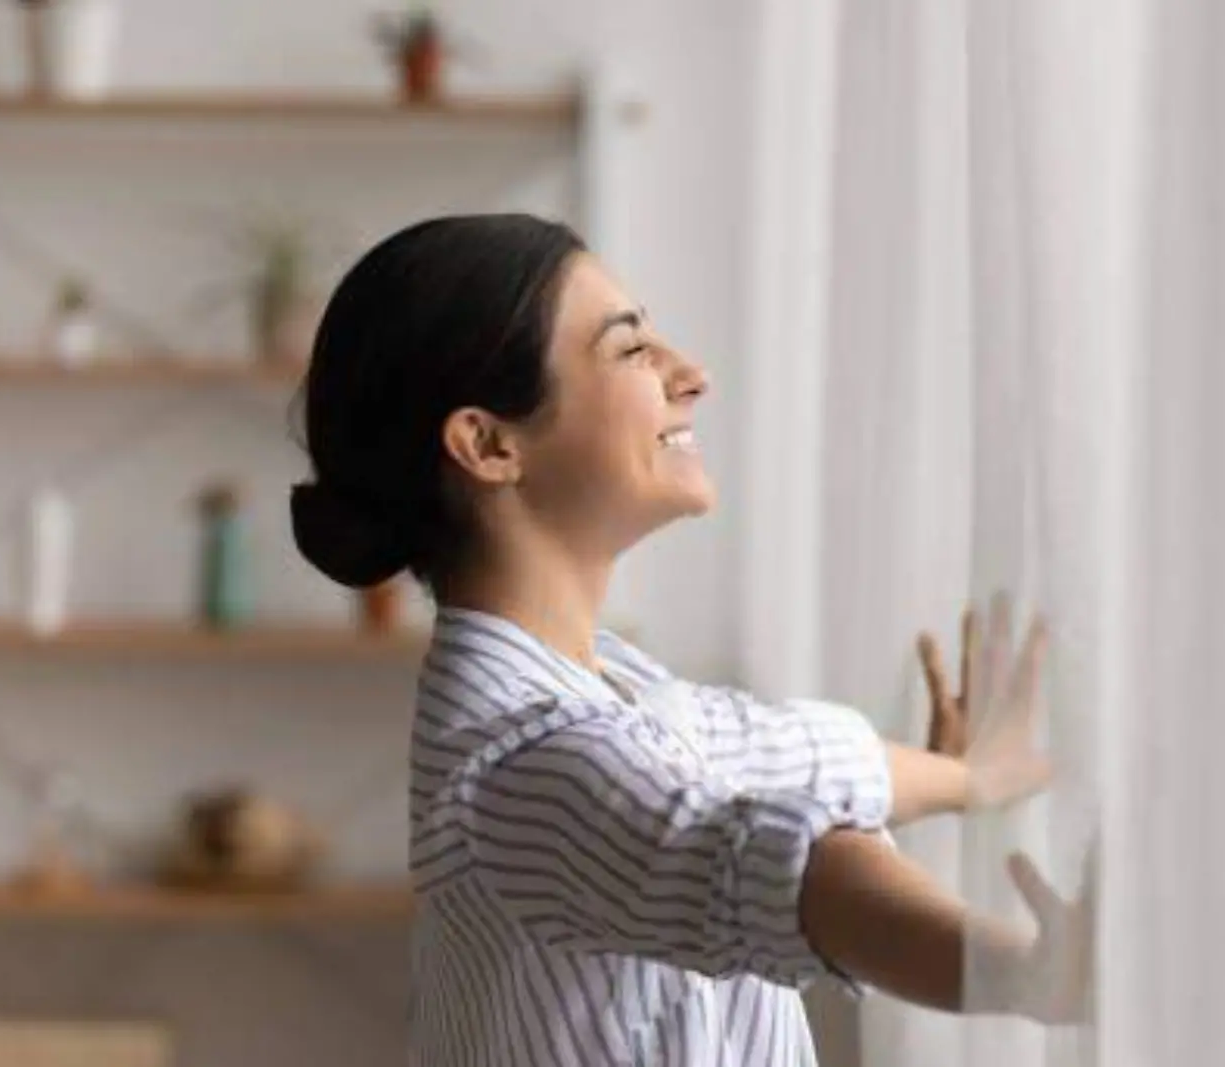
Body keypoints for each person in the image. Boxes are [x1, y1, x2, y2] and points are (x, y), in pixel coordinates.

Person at [289, 214, 1088, 1067]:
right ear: (489, 443)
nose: (692, 376)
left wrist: (970, 777)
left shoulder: (618, 688)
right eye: (631, 350)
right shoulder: (524, 767)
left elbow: (796, 754)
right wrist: (1029, 972)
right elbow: (782, 864)